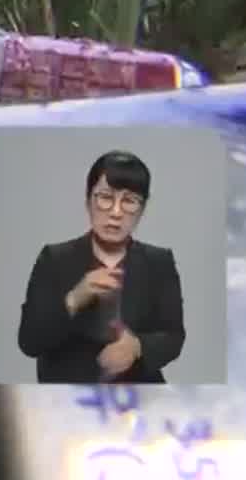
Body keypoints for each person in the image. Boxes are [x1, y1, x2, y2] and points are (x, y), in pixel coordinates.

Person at [16, 150, 185, 383]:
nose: (116, 213)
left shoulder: (159, 262)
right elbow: (29, 342)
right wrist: (76, 297)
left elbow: (174, 337)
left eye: (129, 201)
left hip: (139, 399)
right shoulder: (54, 259)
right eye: (105, 197)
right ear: (88, 201)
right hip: (68, 399)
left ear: (142, 209)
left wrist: (136, 347)